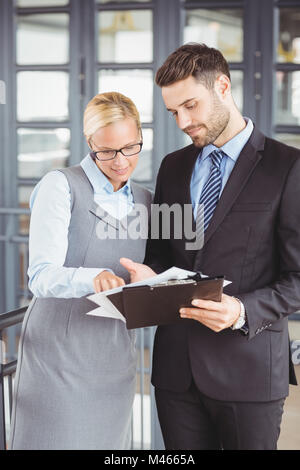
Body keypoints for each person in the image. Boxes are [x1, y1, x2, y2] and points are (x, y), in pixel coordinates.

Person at [120, 43, 300, 450]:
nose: (183, 121)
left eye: (190, 106)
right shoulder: (174, 166)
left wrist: (241, 310)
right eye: (173, 112)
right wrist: (149, 277)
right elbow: (164, 256)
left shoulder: (288, 167)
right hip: (175, 373)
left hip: (249, 371)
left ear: (222, 86)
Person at [10, 91, 152, 450]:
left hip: (115, 357)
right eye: (107, 151)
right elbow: (40, 275)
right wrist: (90, 277)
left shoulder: (147, 201)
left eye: (130, 147)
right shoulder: (62, 186)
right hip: (59, 358)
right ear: (90, 143)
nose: (120, 161)